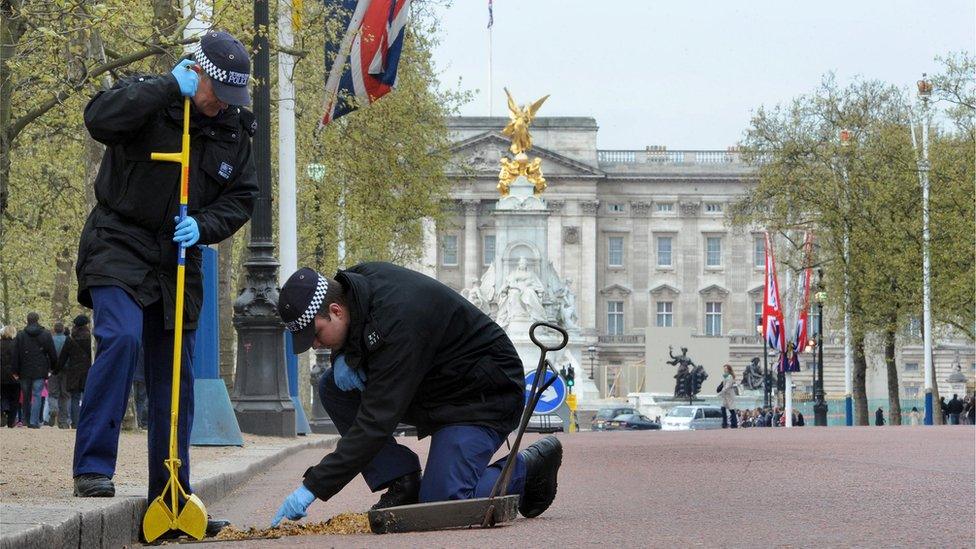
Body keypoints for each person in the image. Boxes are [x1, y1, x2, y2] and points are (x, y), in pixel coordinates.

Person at [70, 29, 257, 539]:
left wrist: (205, 226)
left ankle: (170, 491)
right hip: (118, 241)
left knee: (174, 375)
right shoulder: (149, 97)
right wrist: (160, 89)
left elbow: (241, 198)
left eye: (232, 99)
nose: (223, 106)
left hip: (178, 252)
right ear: (196, 74)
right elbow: (98, 118)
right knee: (122, 337)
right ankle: (93, 467)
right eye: (218, 94)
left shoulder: (235, 128)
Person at [270, 264, 563, 526]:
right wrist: (341, 355)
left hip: (481, 395)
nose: (316, 345)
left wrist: (313, 487)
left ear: (335, 311)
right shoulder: (355, 289)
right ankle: (402, 479)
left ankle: (528, 467)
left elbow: (375, 423)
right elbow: (358, 330)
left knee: (442, 504)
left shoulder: (399, 321)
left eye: (317, 335)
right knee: (333, 386)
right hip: (434, 386)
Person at [12, 312, 58, 429]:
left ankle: (26, 420)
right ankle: (34, 421)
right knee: (37, 394)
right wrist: (53, 367)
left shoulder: (21, 335)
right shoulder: (46, 334)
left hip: (24, 369)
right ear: (38, 320)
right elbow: (52, 353)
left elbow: (15, 354)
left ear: (27, 320)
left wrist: (15, 371)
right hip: (40, 369)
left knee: (26, 396)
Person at [58, 315, 93, 428]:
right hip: (89, 371)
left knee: (75, 398)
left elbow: (63, 357)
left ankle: (75, 422)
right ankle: (88, 421)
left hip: (74, 372)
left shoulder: (70, 339)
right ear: (87, 325)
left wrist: (56, 370)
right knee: (89, 397)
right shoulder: (91, 339)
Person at [47, 322, 71, 428]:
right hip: (66, 369)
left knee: (53, 393)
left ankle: (53, 409)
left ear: (54, 330)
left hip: (53, 370)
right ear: (63, 329)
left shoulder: (50, 340)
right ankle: (63, 421)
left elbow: (47, 355)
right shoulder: (68, 340)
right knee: (65, 395)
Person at [1, 326, 20, 428]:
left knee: (3, 395)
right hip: (14, 375)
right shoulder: (16, 345)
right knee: (14, 398)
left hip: (1, 375)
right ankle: (11, 421)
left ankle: (4, 408)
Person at [718, 364, 738, 428]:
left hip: (729, 395)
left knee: (731, 409)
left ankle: (733, 424)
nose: (724, 369)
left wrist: (721, 392)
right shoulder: (726, 377)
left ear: (728, 370)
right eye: (724, 368)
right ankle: (725, 423)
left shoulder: (729, 377)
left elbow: (727, 386)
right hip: (726, 395)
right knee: (723, 408)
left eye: (726, 368)